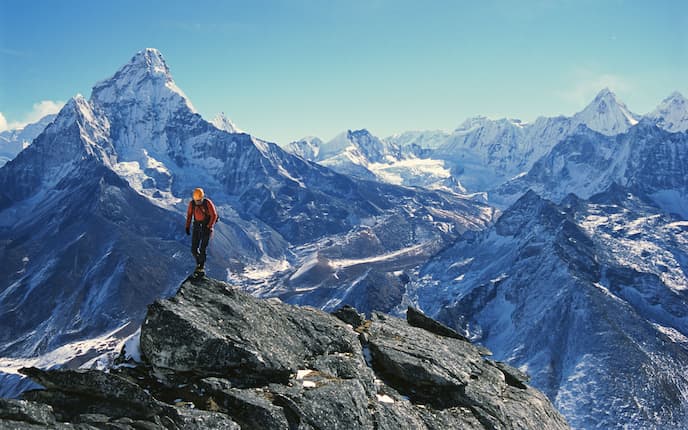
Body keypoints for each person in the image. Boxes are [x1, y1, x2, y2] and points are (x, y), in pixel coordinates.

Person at [185, 188, 218, 275]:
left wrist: (209, 226)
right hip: (197, 226)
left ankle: (201, 267)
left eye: (199, 200)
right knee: (194, 249)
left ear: (202, 197)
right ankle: (199, 263)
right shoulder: (192, 204)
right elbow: (189, 215)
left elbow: (214, 215)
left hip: (206, 227)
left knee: (203, 248)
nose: (198, 202)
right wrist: (187, 227)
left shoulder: (207, 203)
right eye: (196, 201)